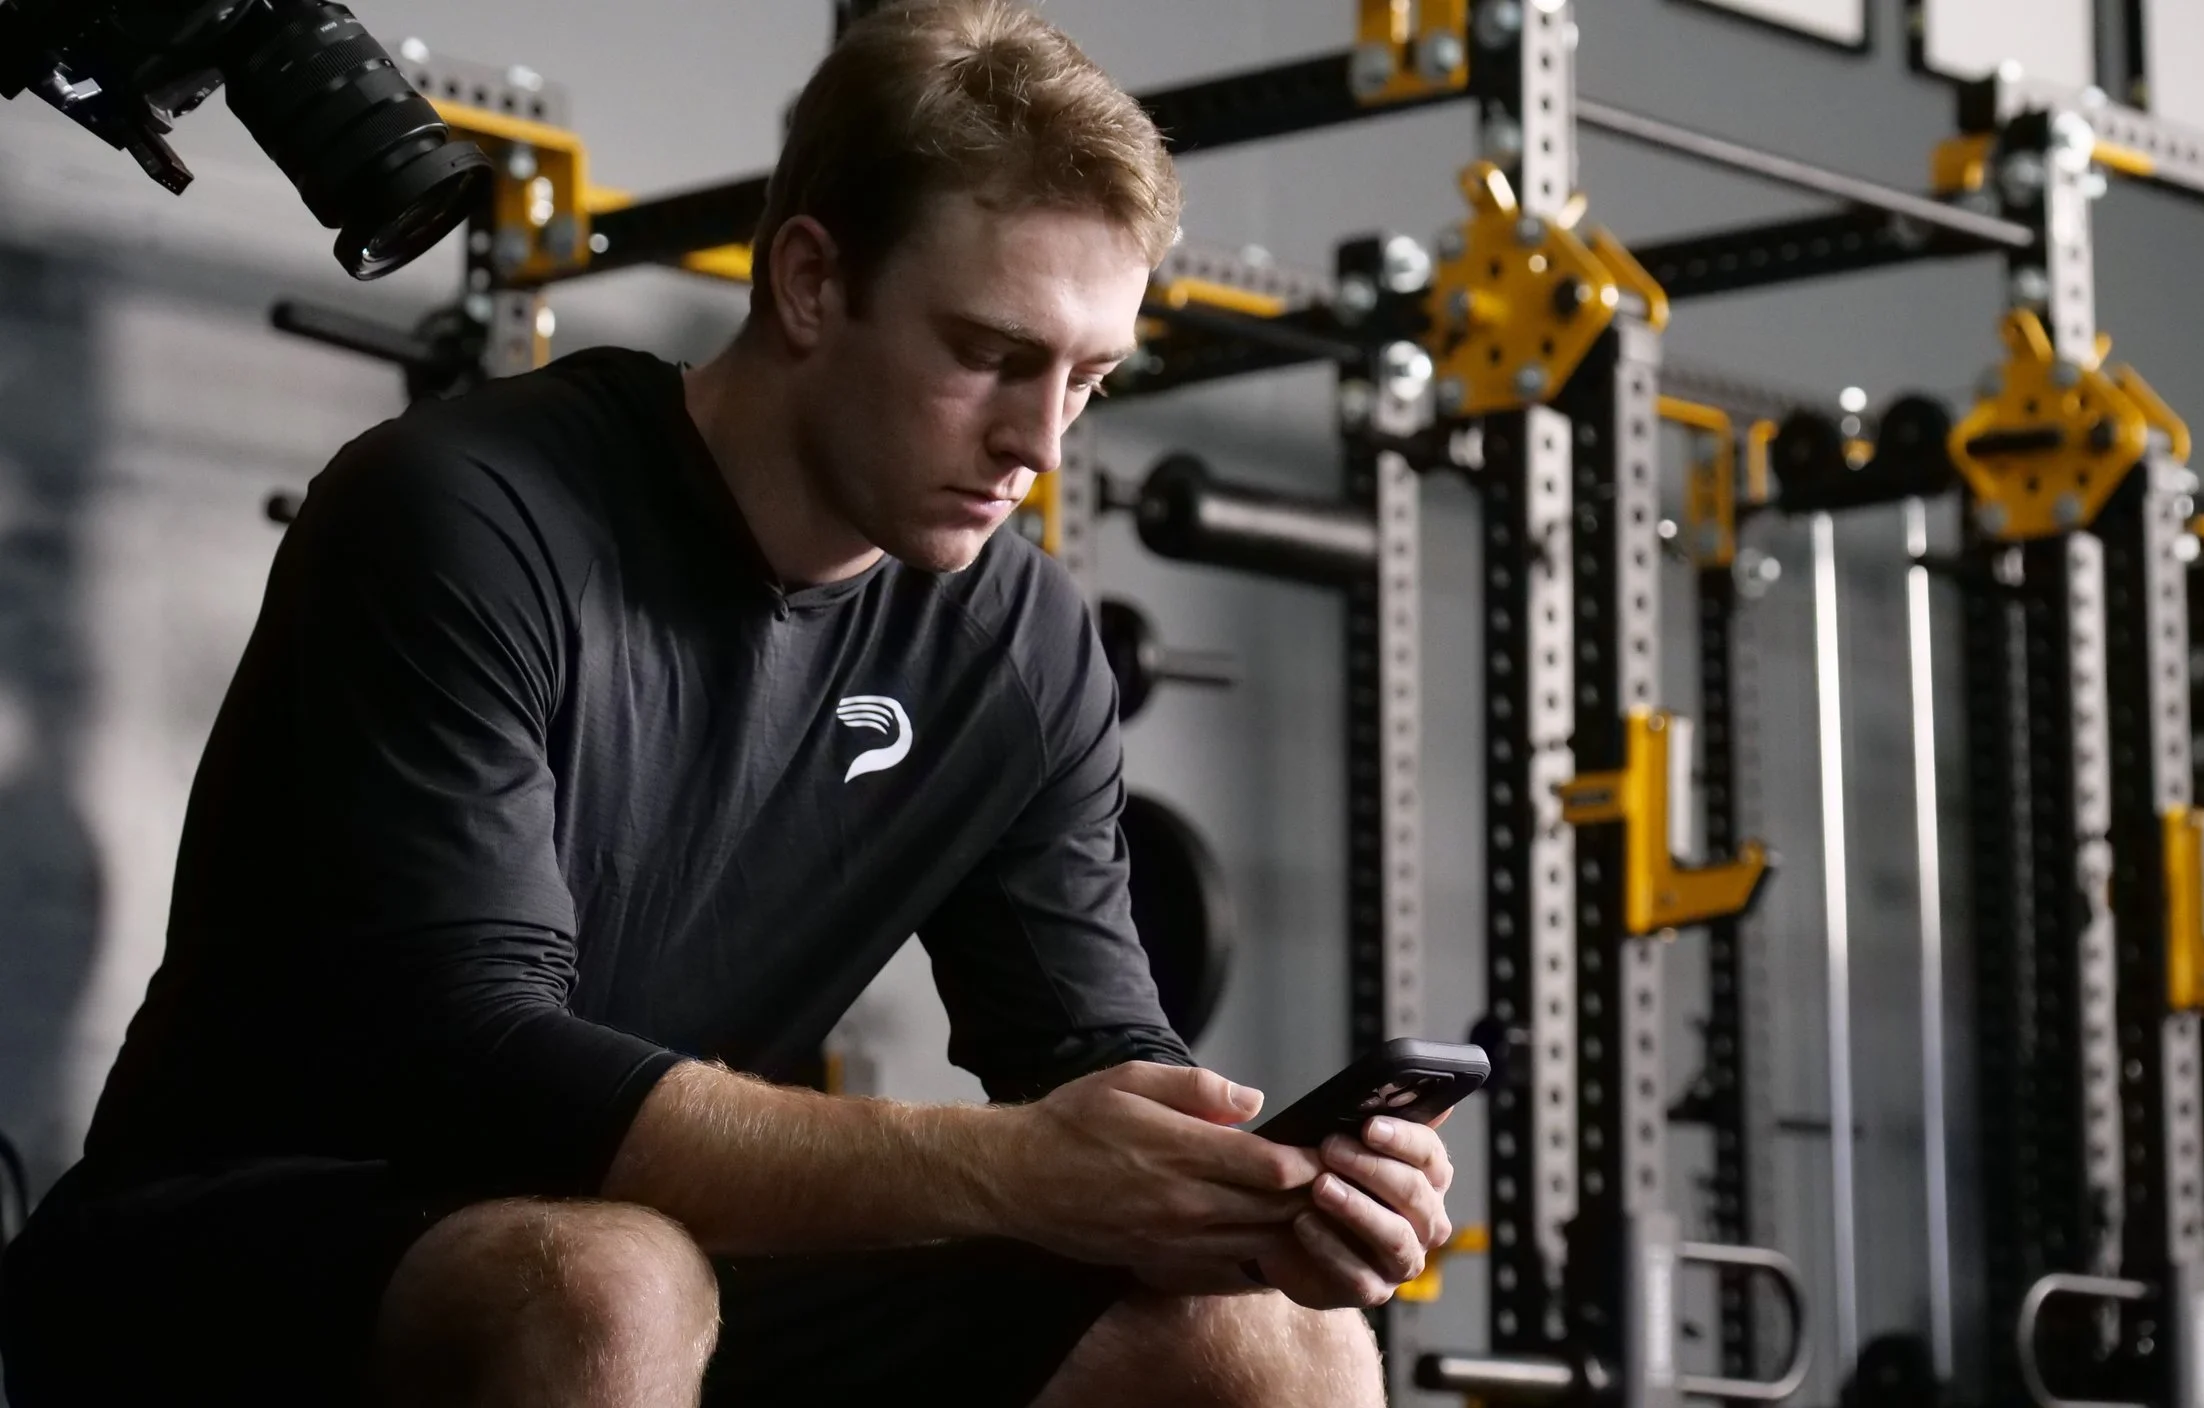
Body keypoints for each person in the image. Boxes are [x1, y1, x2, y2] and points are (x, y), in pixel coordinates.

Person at [0, 3, 1455, 1403]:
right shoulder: (461, 513)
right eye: (993, 355)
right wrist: (1007, 1165)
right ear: (813, 283)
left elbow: (1089, 1058)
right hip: (243, 1247)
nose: (1039, 442)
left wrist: (1266, 1187)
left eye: (1088, 379)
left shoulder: (1021, 639)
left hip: (649, 1253)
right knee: (607, 1283)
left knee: (1269, 1341)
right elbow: (483, 1070)